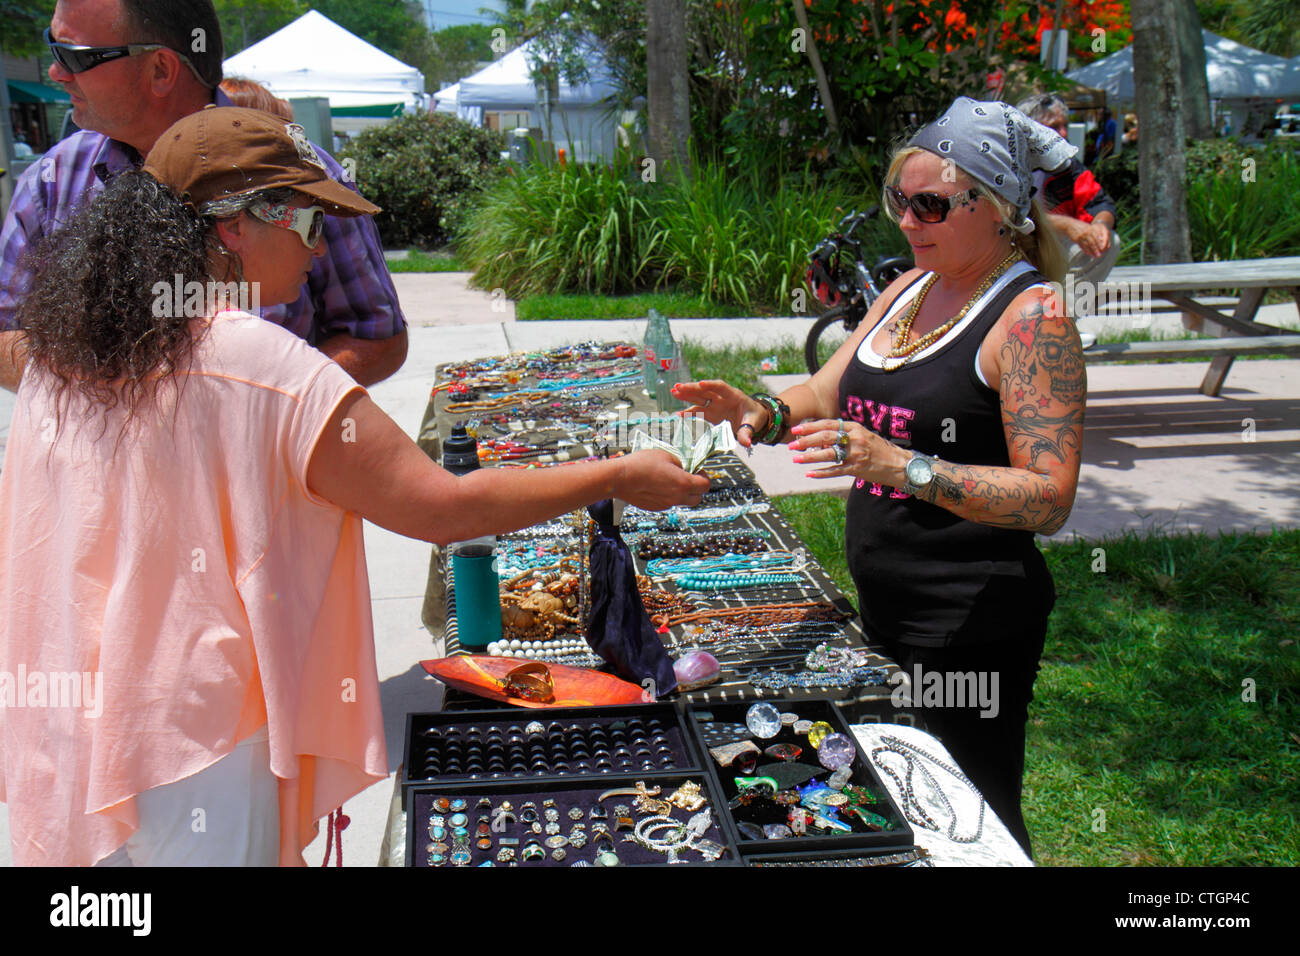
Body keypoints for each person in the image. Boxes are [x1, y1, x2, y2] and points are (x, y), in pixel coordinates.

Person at [0, 106, 709, 867]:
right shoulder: (266, 367)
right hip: (193, 745)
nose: (321, 246)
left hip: (72, 722)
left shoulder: (62, 354)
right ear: (234, 225)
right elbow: (440, 507)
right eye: (309, 221)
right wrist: (620, 475)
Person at [674, 97, 1085, 858]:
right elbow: (827, 389)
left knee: (973, 815)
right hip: (887, 598)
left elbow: (1050, 498)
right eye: (899, 198)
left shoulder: (1032, 319)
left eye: (930, 203)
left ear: (995, 208)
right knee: (901, 799)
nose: (907, 219)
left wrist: (904, 465)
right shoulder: (908, 290)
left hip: (971, 616)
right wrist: (761, 406)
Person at [0, 0, 407, 392]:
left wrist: (267, 406)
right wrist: (111, 402)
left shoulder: (306, 177)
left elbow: (377, 337)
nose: (56, 71)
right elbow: (6, 335)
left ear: (161, 69)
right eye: (52, 47)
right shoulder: (51, 182)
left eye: (75, 55)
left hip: (260, 462)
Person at [1017, 94, 1121, 289]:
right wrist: (1067, 226)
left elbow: (1099, 203)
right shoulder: (1005, 164)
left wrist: (1099, 225)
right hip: (1013, 247)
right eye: (1054, 126)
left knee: (1109, 242)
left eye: (1065, 125)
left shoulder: (1067, 164)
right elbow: (1009, 216)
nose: (1063, 133)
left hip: (1050, 249)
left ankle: (1064, 314)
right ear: (1028, 128)